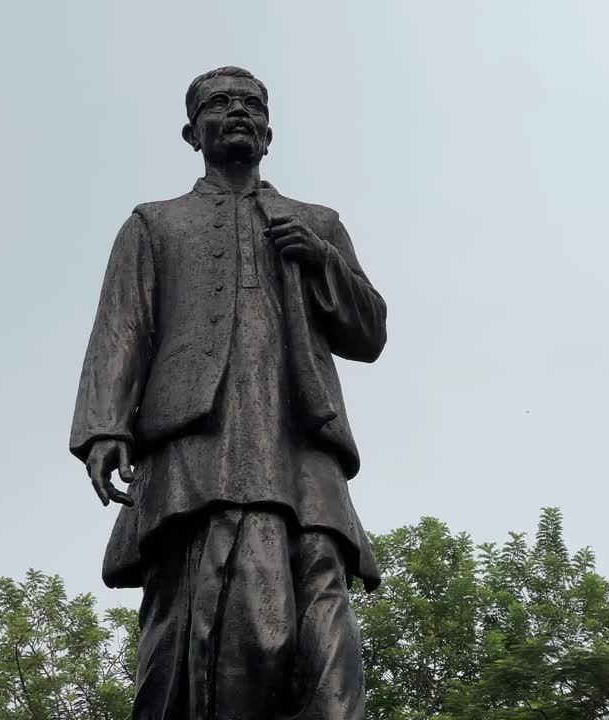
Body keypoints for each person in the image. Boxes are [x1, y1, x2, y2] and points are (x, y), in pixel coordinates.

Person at [69, 66, 388, 720]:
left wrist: (321, 261)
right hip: (199, 452)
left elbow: (369, 332)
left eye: (252, 104)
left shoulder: (316, 221)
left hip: (304, 448)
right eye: (220, 104)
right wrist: (105, 426)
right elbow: (122, 326)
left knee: (326, 619)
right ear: (193, 132)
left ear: (269, 131)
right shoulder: (155, 224)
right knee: (221, 612)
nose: (239, 112)